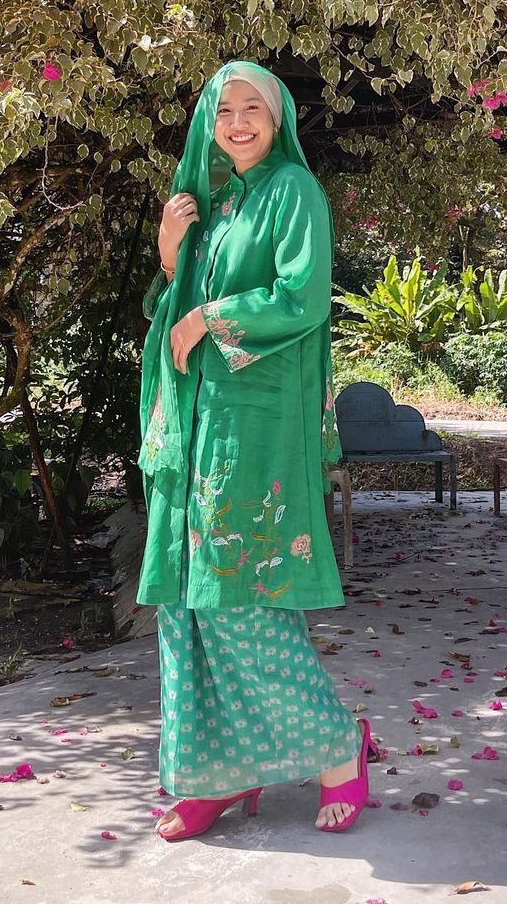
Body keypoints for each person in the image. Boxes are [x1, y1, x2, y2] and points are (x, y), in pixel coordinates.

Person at [136, 59, 372, 841]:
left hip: (258, 421)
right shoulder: (210, 204)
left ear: (277, 120)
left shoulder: (293, 192)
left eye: (253, 109)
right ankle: (212, 775)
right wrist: (171, 252)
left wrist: (209, 317)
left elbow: (302, 297)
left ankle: (337, 748)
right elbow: (167, 311)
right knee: (186, 604)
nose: (238, 122)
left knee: (240, 599)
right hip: (196, 420)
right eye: (224, 110)